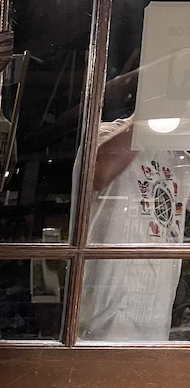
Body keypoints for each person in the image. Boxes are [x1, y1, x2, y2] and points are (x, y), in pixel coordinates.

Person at [79, 114, 190, 341]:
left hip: (155, 323)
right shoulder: (108, 133)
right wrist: (149, 113)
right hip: (102, 321)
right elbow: (99, 172)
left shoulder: (178, 157)